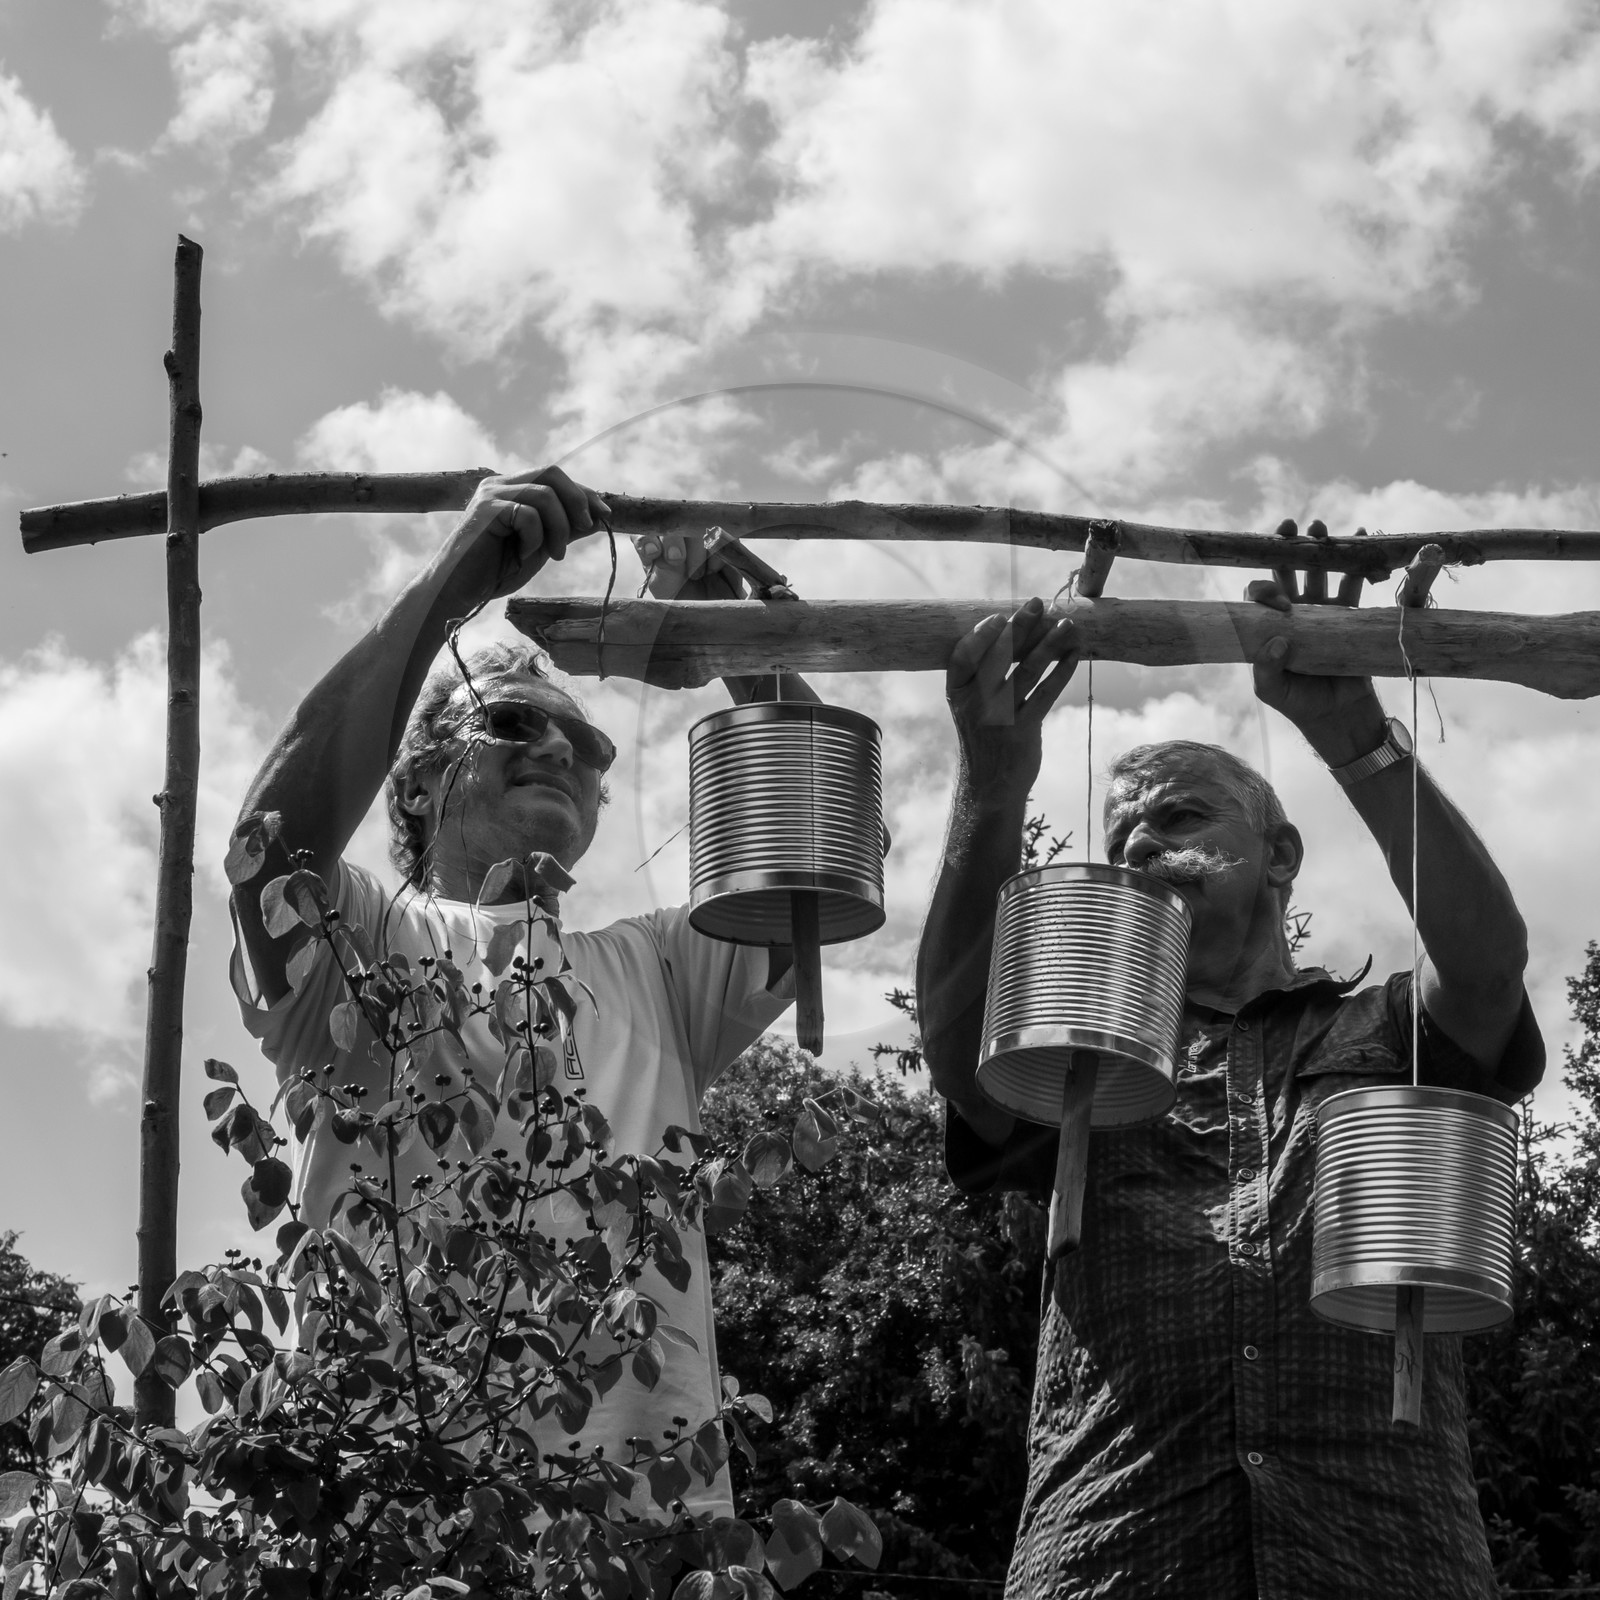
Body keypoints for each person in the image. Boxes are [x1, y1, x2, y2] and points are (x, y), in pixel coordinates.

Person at [915, 536, 1543, 1599]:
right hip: (1116, 1553)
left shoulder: (1383, 1033)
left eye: (1177, 816)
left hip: (1387, 1555)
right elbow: (956, 1050)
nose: (1141, 850)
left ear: (1280, 856)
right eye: (1124, 841)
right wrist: (991, 781)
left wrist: (1357, 742)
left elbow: (1484, 969)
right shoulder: (1077, 1054)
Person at [228, 466, 804, 1518]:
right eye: (512, 725)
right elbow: (269, 850)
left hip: (652, 1540)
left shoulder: (657, 972)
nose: (561, 750)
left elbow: (818, 858)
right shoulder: (370, 936)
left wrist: (726, 631)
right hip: (402, 1521)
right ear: (414, 782)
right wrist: (450, 586)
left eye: (587, 747)